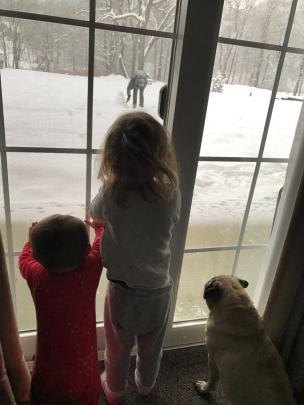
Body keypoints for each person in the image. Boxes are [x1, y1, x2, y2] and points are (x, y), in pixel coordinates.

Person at [90, 111, 181, 404]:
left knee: (117, 348)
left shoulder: (112, 194)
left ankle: (115, 391)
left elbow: (94, 213)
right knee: (151, 347)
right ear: (159, 155)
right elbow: (172, 220)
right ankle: (146, 386)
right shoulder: (170, 193)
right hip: (159, 292)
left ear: (113, 158)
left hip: (123, 292)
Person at [18, 214, 104, 405]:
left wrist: (29, 242)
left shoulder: (37, 275)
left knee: (47, 394)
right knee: (85, 393)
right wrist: (99, 228)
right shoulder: (91, 268)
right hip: (84, 363)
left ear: (37, 256)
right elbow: (100, 247)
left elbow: (23, 261)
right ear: (86, 249)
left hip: (49, 364)